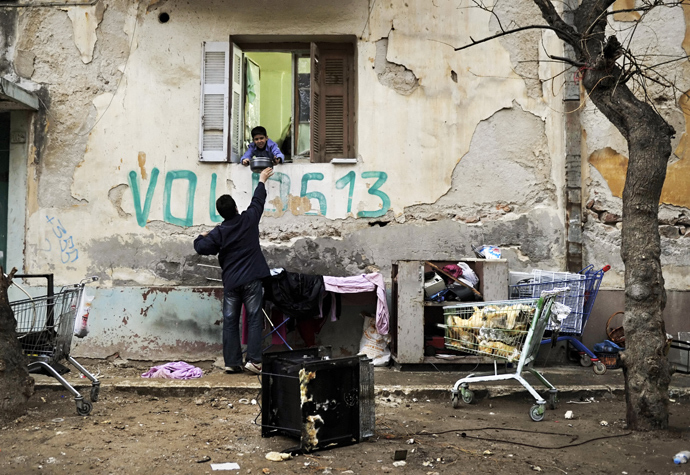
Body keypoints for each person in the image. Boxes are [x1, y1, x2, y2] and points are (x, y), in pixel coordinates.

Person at [194, 167, 274, 374]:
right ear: (236, 207)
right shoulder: (248, 220)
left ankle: (231, 362)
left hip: (232, 283)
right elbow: (258, 201)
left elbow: (202, 248)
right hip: (252, 280)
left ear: (221, 213)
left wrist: (201, 236)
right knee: (254, 317)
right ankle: (254, 360)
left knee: (230, 320)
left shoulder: (219, 232)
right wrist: (262, 180)